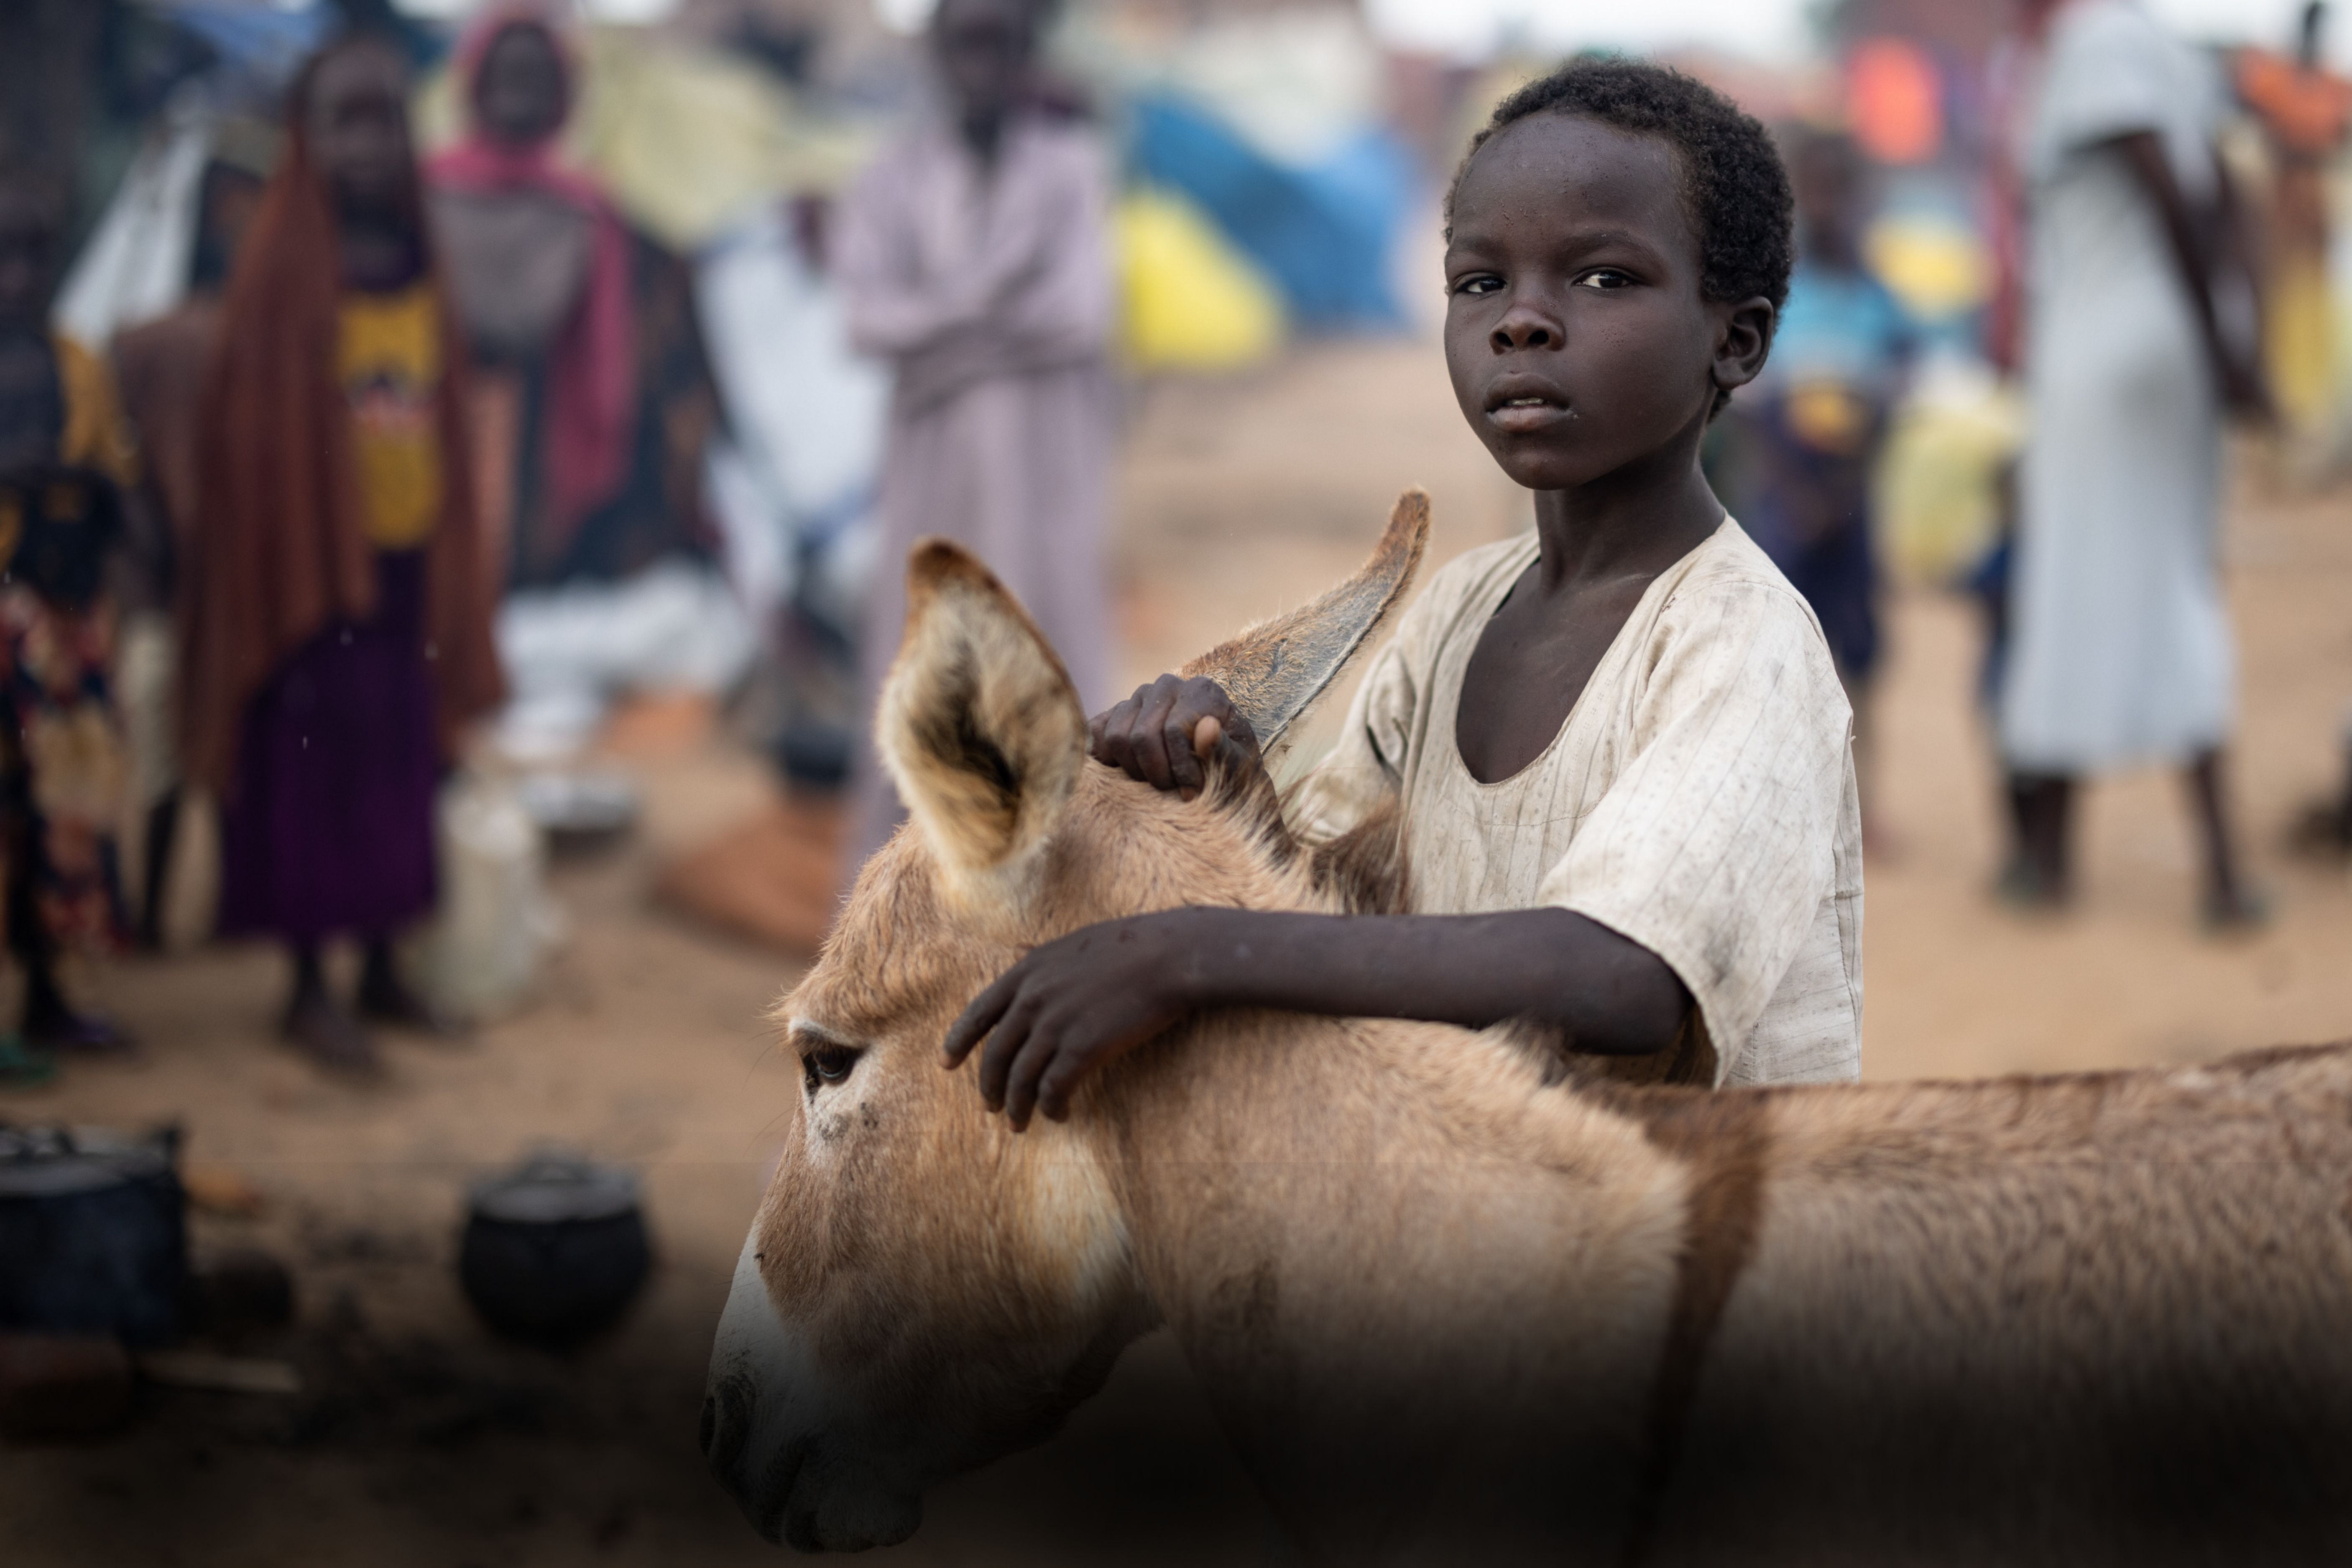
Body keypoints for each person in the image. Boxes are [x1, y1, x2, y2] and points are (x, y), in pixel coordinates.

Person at [945, 59, 1862, 1130]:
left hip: (1705, 1261)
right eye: (1480, 284)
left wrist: (1191, 952)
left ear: (1734, 340)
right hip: (1494, 1227)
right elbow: (1346, 914)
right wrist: (1228, 782)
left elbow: (1619, 975)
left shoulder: (1736, 638)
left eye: (1602, 278)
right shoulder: (1457, 614)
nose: (1522, 322)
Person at [180, 32, 504, 1075]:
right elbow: (253, 434)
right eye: (343, 122)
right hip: (312, 578)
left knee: (397, 767)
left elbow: (446, 411)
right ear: (303, 138)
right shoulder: (280, 268)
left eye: (384, 120)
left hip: (403, 569)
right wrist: (306, 540)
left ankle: (380, 966)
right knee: (310, 776)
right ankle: (308, 988)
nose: (366, 145)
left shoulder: (418, 256)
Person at [1999, 0, 2268, 925]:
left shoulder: (2096, 40)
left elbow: (2165, 187)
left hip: (2109, 357)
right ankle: (2181, 866)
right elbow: (2221, 192)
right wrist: (2237, 337)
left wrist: (2226, 347)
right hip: (2171, 351)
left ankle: (2064, 859)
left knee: (2084, 582)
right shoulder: (2163, 45)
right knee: (2163, 575)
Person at [836, 0, 1115, 877]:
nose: (979, 65)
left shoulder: (1070, 170)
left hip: (1042, 475)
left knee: (1047, 652)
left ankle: (1052, 891)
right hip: (932, 480)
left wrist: (937, 333)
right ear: (935, 53)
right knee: (924, 670)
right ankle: (907, 898)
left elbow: (1077, 314)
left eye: (999, 44)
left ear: (1026, 52)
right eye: (963, 43)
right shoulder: (889, 176)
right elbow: (864, 320)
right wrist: (994, 303)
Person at [111, 128, 274, 950]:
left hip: (210, 579)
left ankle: (188, 913)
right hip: (167, 581)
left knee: (203, 745)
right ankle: (152, 915)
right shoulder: (155, 342)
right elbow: (125, 469)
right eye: (233, 202)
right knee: (169, 750)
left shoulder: (231, 341)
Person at [1727, 129, 1908, 848]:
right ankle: (1770, 807)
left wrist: (1844, 492)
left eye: (1841, 189)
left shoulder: (1879, 299)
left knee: (1857, 650)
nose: (1829, 206)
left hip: (1851, 504)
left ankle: (1860, 809)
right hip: (1782, 503)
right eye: (1816, 190)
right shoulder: (1770, 298)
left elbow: (1894, 401)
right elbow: (1746, 406)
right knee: (1770, 650)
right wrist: (1792, 491)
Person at [0, 165, 142, 1082]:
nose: (19, 272)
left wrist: (90, 492)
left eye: (38, 252)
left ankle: (49, 996)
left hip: (63, 625)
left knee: (60, 819)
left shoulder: (76, 364)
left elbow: (115, 475)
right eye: (2, 253)